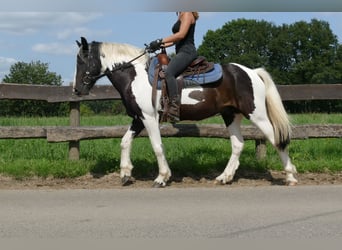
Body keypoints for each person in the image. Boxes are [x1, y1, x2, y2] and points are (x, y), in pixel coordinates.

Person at [148, 12, 199, 122]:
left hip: (187, 52)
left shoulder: (187, 13)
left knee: (169, 73)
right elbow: (176, 40)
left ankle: (174, 108)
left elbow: (181, 35)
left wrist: (159, 41)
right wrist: (159, 45)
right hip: (180, 51)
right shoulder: (180, 15)